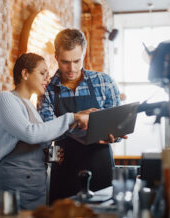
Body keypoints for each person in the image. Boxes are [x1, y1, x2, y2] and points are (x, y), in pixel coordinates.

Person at [0, 53, 92, 210]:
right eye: (42, 73)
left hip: (35, 187)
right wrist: (72, 117)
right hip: (12, 186)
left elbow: (35, 139)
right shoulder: (6, 99)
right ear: (25, 74)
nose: (47, 79)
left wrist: (48, 154)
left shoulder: (31, 106)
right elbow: (30, 134)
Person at [39, 28, 126, 203]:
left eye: (76, 61)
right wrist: (77, 119)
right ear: (56, 56)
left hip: (101, 165)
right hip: (65, 168)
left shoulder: (104, 83)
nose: (71, 68)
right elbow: (46, 131)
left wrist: (114, 135)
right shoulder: (46, 90)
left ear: (84, 54)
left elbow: (118, 126)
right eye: (65, 62)